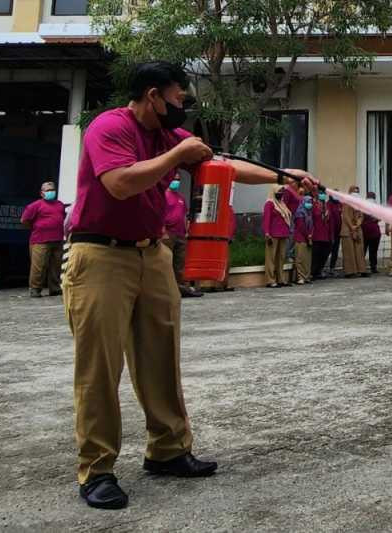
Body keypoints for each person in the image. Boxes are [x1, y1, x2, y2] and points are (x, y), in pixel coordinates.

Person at [62, 60, 316, 510]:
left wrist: (284, 176)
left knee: (161, 355)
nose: (184, 105)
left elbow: (226, 166)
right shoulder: (109, 127)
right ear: (153, 96)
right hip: (100, 254)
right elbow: (120, 184)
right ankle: (97, 470)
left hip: (152, 252)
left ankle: (168, 450)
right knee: (100, 367)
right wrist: (177, 156)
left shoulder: (170, 137)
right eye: (179, 96)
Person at [21, 180, 67, 298]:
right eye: (48, 190)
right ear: (41, 193)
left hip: (57, 239)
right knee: (39, 266)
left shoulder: (60, 205)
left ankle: (55, 288)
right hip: (40, 240)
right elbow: (24, 220)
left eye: (52, 190)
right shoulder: (35, 205)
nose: (51, 192)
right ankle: (35, 289)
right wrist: (36, 228)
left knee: (56, 266)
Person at [163, 178, 201, 298]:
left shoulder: (180, 198)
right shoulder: (164, 195)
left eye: (179, 179)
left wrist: (186, 230)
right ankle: (166, 290)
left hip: (180, 234)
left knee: (180, 263)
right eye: (174, 179)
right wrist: (162, 230)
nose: (176, 181)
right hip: (168, 233)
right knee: (166, 263)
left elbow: (184, 215)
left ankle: (182, 289)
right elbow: (159, 213)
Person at [262, 185, 292, 288]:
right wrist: (267, 233)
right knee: (271, 258)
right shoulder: (269, 204)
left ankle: (281, 279)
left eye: (282, 191)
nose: (281, 193)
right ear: (274, 191)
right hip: (273, 235)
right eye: (279, 191)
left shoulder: (282, 203)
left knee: (281, 257)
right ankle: (270, 280)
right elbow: (266, 219)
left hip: (283, 234)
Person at [339, 186, 365, 277]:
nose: (356, 193)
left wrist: (357, 224)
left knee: (359, 251)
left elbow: (361, 215)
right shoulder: (346, 202)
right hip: (347, 229)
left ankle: (361, 270)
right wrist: (352, 227)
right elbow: (346, 216)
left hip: (357, 229)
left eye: (357, 191)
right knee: (349, 252)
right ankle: (350, 272)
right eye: (354, 191)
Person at [311, 190, 336, 279]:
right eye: (321, 194)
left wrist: (332, 236)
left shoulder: (327, 206)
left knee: (324, 254)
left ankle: (319, 271)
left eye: (324, 194)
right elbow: (311, 220)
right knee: (316, 255)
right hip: (316, 235)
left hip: (326, 235)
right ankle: (313, 272)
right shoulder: (314, 205)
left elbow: (331, 222)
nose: (322, 196)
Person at [292, 194, 314, 285]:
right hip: (300, 238)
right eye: (308, 202)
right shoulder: (299, 213)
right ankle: (300, 277)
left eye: (311, 202)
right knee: (300, 259)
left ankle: (307, 277)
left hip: (308, 238)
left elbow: (312, 226)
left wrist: (311, 235)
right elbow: (301, 227)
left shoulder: (309, 212)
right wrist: (308, 236)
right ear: (303, 202)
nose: (310, 204)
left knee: (307, 260)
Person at [362, 192, 382, 275]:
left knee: (365, 250)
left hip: (367, 231)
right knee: (372, 251)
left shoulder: (362, 206)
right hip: (372, 231)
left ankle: (366, 267)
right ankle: (372, 267)